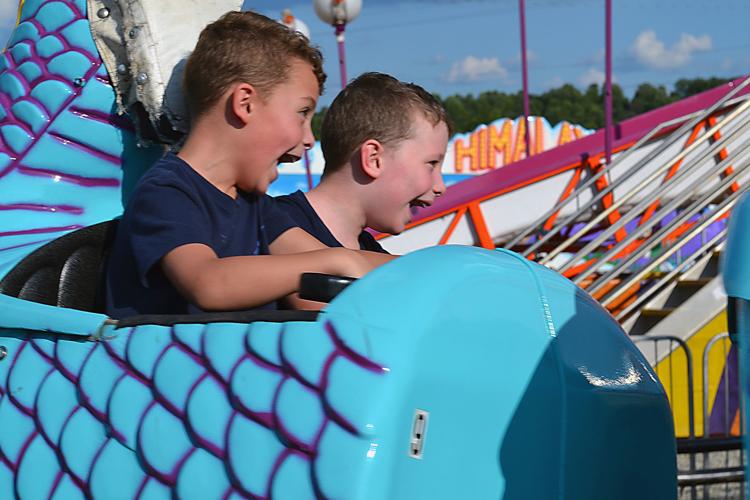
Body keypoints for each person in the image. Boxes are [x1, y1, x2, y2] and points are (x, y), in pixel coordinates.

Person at [106, 11, 391, 318]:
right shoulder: (166, 192)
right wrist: (330, 263)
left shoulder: (255, 206)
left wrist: (433, 267)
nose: (309, 138)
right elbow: (208, 283)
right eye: (302, 112)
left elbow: (339, 258)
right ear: (245, 104)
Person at [275, 72, 450, 252]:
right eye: (432, 163)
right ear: (373, 159)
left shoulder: (374, 257)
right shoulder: (264, 228)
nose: (440, 187)